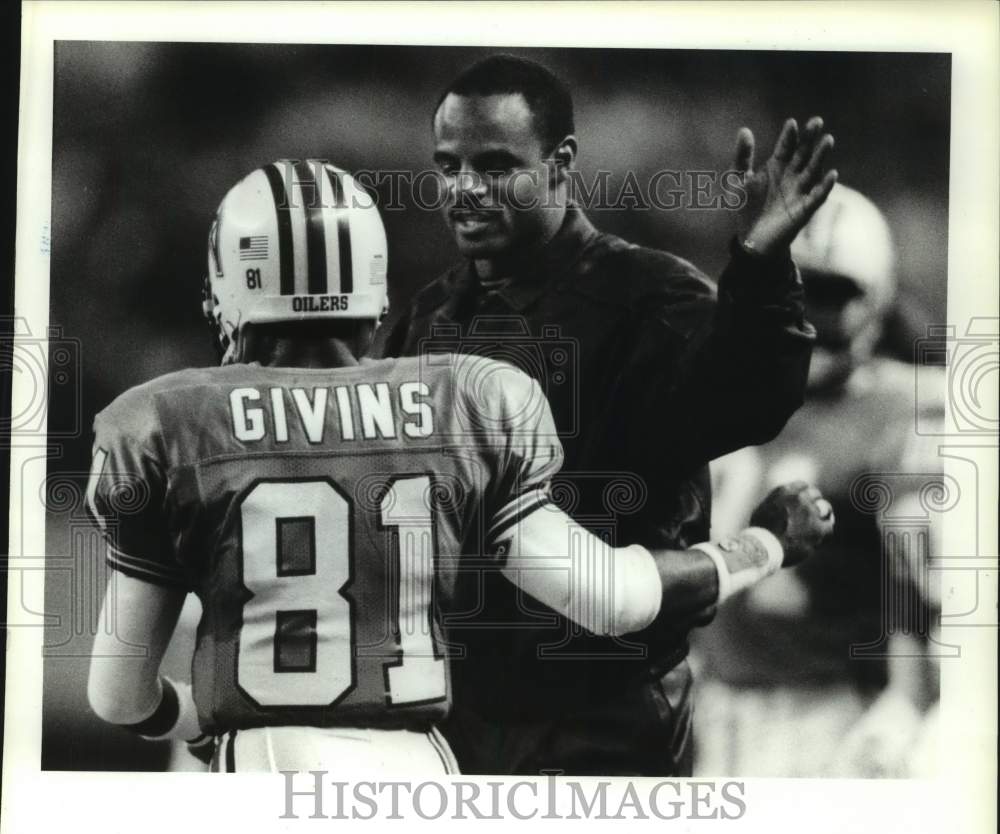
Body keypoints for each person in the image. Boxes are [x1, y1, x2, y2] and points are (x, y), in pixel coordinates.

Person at [85, 160, 835, 774]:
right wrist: (760, 544)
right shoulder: (465, 403)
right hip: (422, 785)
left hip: (264, 770)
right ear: (373, 290)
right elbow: (615, 598)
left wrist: (190, 715)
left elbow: (118, 695)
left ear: (232, 290)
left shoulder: (169, 424)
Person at [374, 54, 838, 774]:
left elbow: (754, 395)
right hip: (456, 716)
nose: (464, 188)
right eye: (447, 165)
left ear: (561, 163)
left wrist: (760, 265)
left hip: (606, 719)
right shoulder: (431, 313)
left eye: (495, 165)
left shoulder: (647, 294)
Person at [692, 183, 944, 777]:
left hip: (830, 716)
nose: (806, 315)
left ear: (879, 300)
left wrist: (908, 701)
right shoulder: (721, 396)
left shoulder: (905, 409)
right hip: (718, 710)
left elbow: (928, 588)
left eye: (833, 294)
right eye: (792, 289)